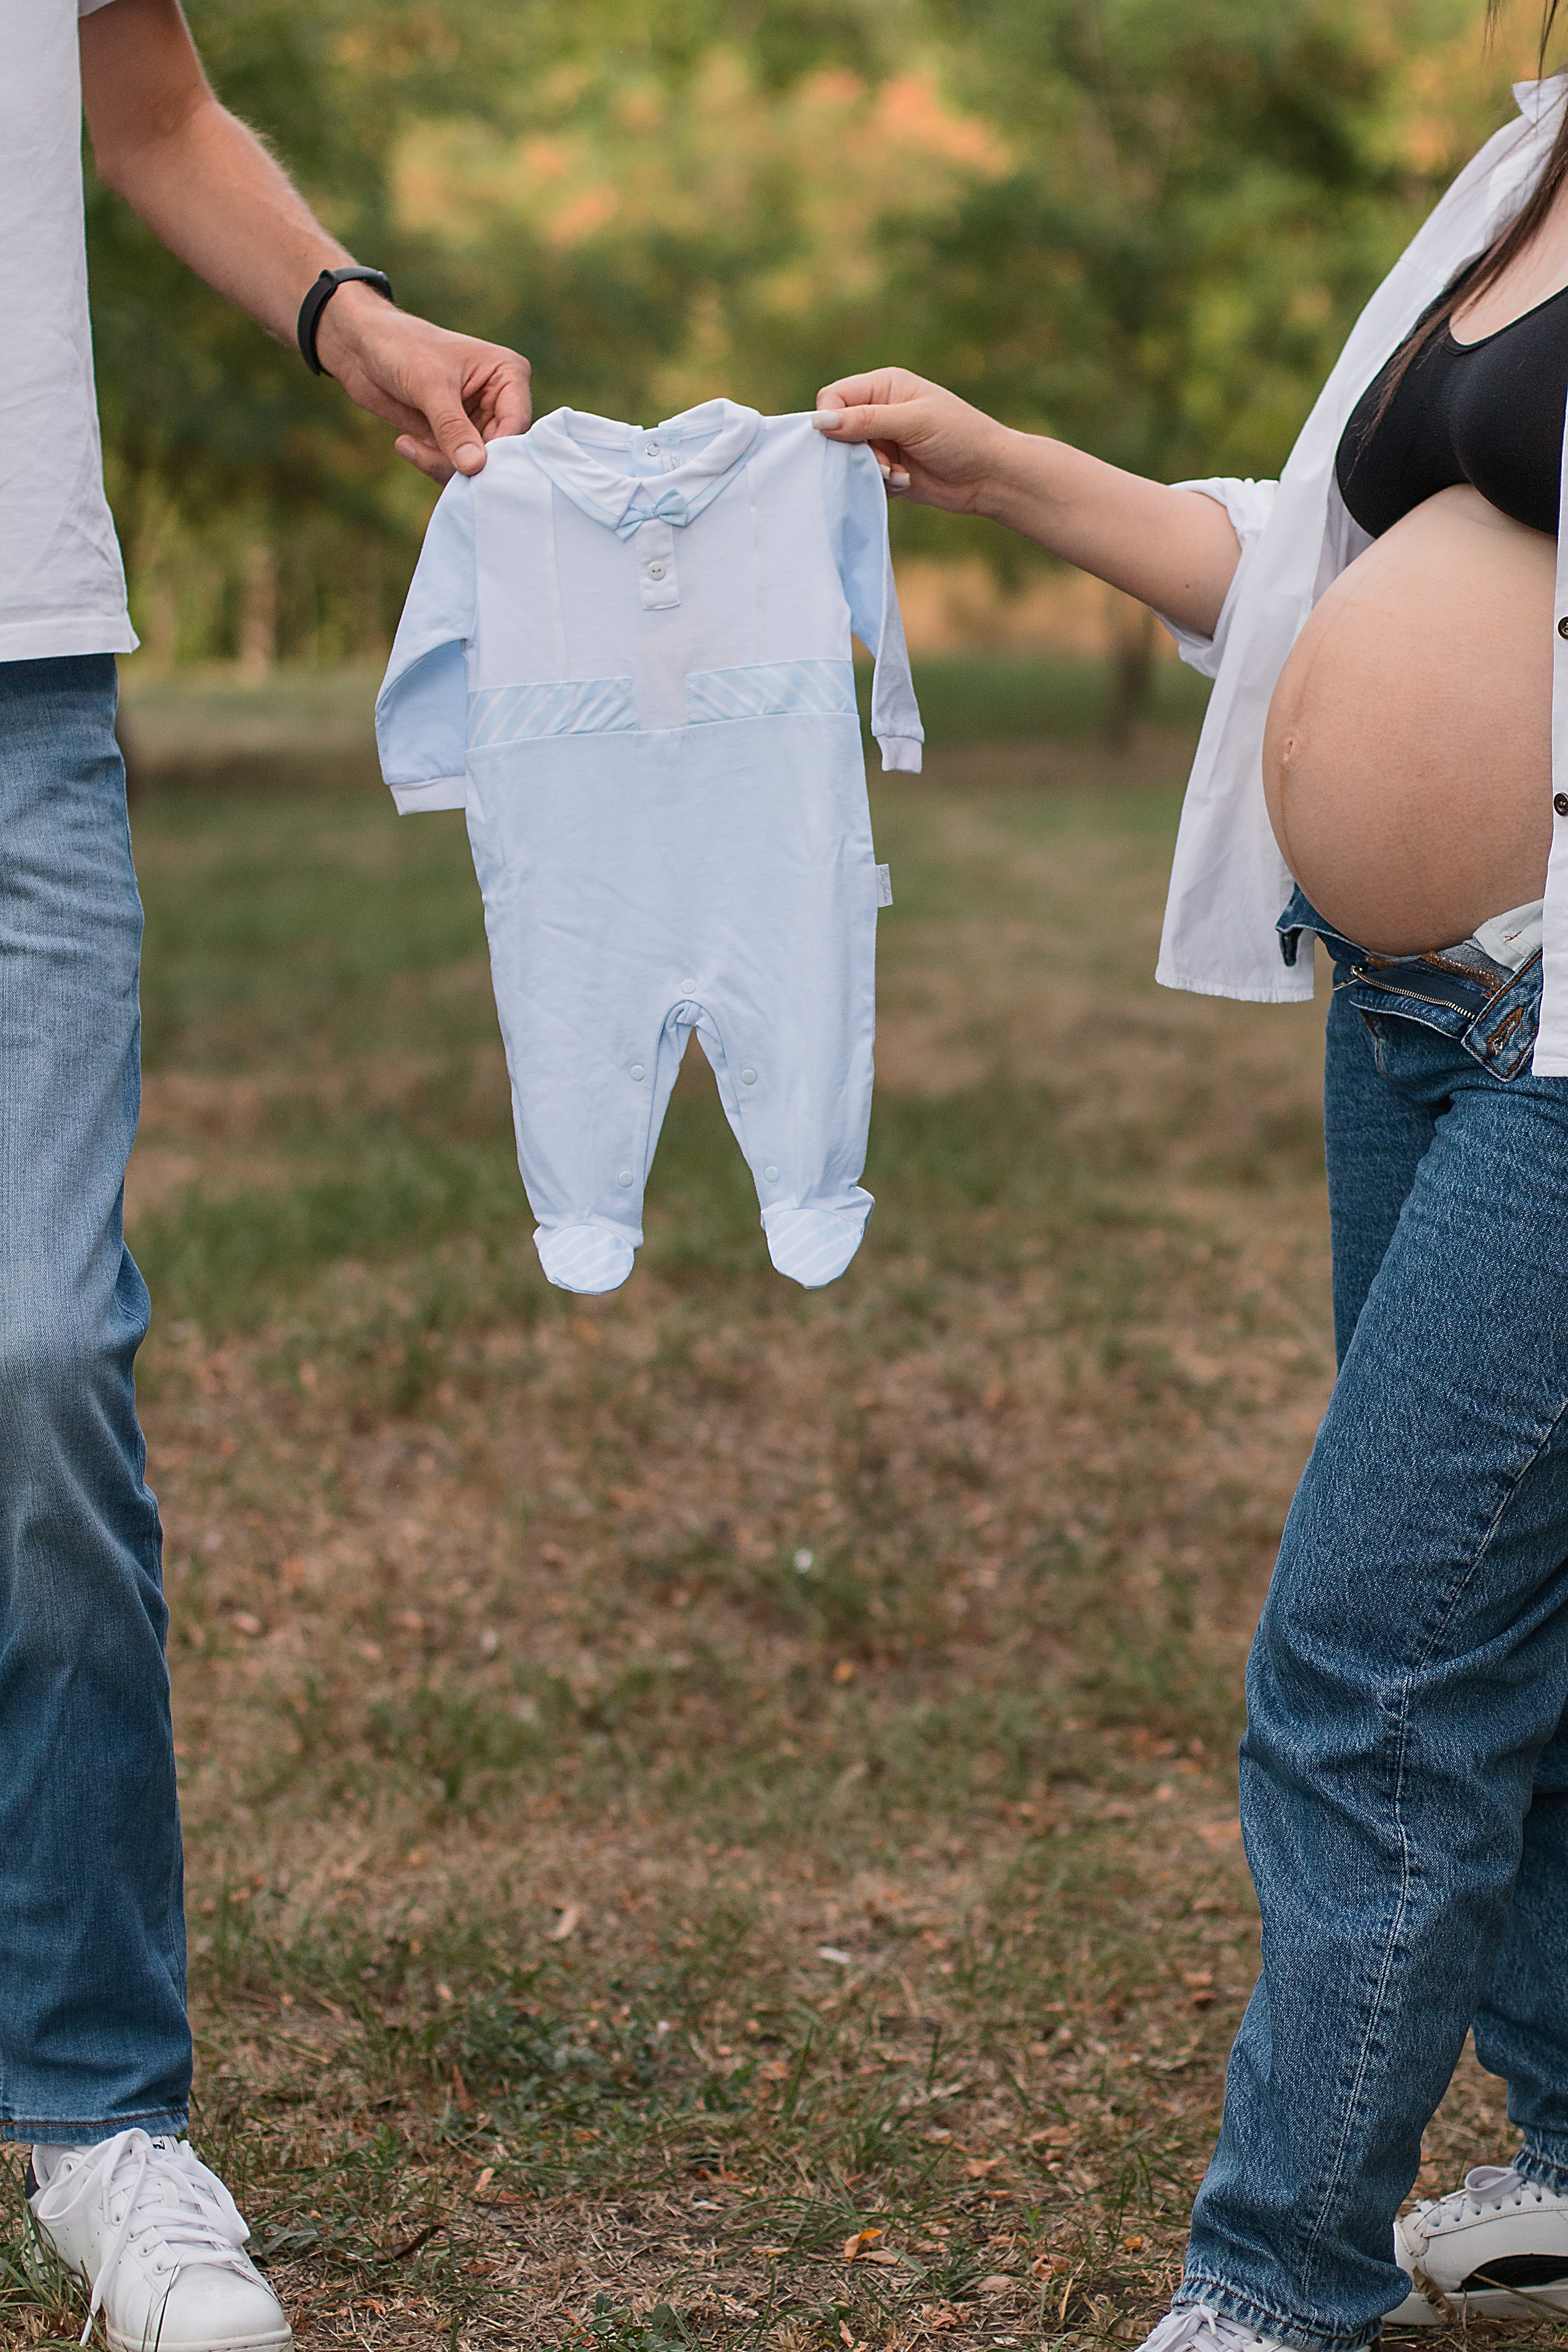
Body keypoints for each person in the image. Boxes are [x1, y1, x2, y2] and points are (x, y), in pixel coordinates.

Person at [815, 21, 1568, 2352]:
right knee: (1508, 1631)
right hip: (1421, 1019)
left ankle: (1274, 2283)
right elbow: (1314, 563)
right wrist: (1004, 468)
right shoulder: (1521, 166)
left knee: (1376, 1661)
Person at [1, 1, 528, 2345]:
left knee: (36, 1350)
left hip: (10, 684)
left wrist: (350, 316)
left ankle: (99, 2114)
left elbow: (146, 105)